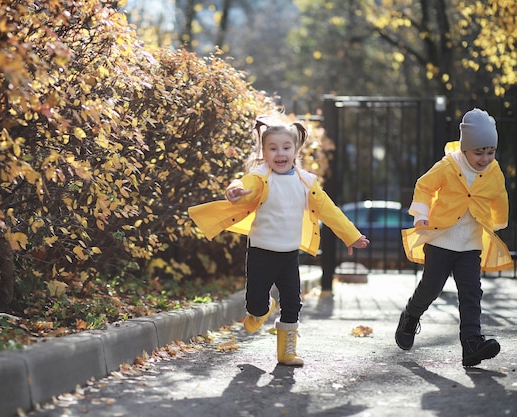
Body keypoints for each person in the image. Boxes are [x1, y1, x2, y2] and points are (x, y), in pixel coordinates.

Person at [188, 117, 370, 367]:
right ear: (264, 153)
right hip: (261, 253)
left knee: (293, 302)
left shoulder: (307, 182)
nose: (280, 153)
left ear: (296, 151)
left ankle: (287, 352)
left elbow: (330, 211)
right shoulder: (261, 176)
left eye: (286, 147)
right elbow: (243, 184)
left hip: (289, 255)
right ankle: (261, 310)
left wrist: (351, 235)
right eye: (273, 148)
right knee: (255, 302)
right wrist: (234, 190)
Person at [397, 108, 512, 367]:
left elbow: (499, 195)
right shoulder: (449, 165)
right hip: (441, 239)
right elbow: (424, 185)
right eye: (479, 152)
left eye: (490, 152)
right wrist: (421, 214)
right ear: (465, 148)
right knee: (431, 287)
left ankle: (471, 343)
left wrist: (498, 221)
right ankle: (410, 316)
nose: (485, 158)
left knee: (471, 292)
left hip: (470, 243)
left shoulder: (494, 171)